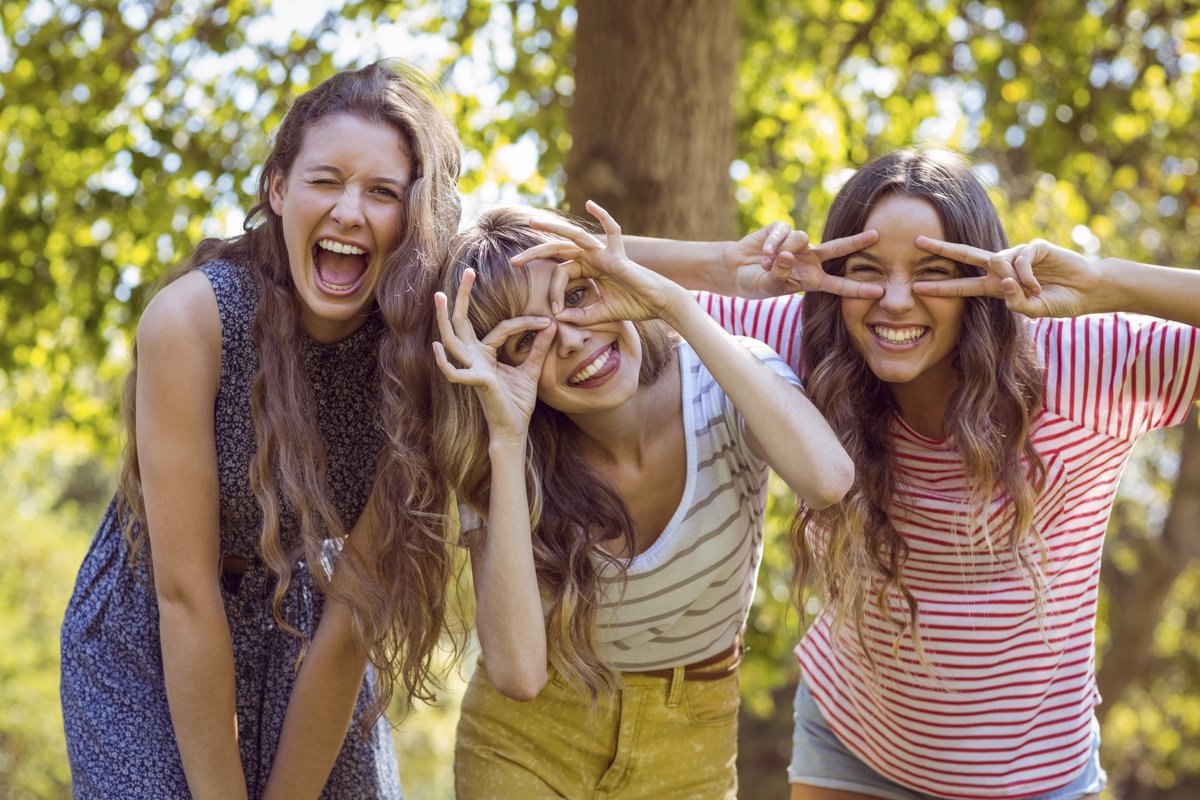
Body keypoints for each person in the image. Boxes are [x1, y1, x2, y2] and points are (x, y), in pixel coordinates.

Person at [656, 147, 1199, 799]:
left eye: (932, 272)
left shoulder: (1081, 360)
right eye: (866, 271)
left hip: (1035, 776)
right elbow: (568, 265)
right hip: (849, 750)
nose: (893, 301)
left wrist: (1108, 282)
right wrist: (718, 265)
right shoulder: (803, 341)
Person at [60, 60, 462, 799]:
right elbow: (185, 593)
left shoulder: (418, 355)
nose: (349, 211)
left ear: (416, 217)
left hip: (305, 622)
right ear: (278, 190)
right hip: (153, 629)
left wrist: (728, 266)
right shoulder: (191, 322)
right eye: (325, 180)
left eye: (382, 192)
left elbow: (351, 616)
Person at [430, 201, 855, 799]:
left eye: (576, 297)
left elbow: (828, 478)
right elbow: (519, 674)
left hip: (689, 737)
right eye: (529, 339)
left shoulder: (723, 382)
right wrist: (505, 438)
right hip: (529, 740)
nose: (572, 341)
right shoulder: (505, 452)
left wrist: (675, 303)